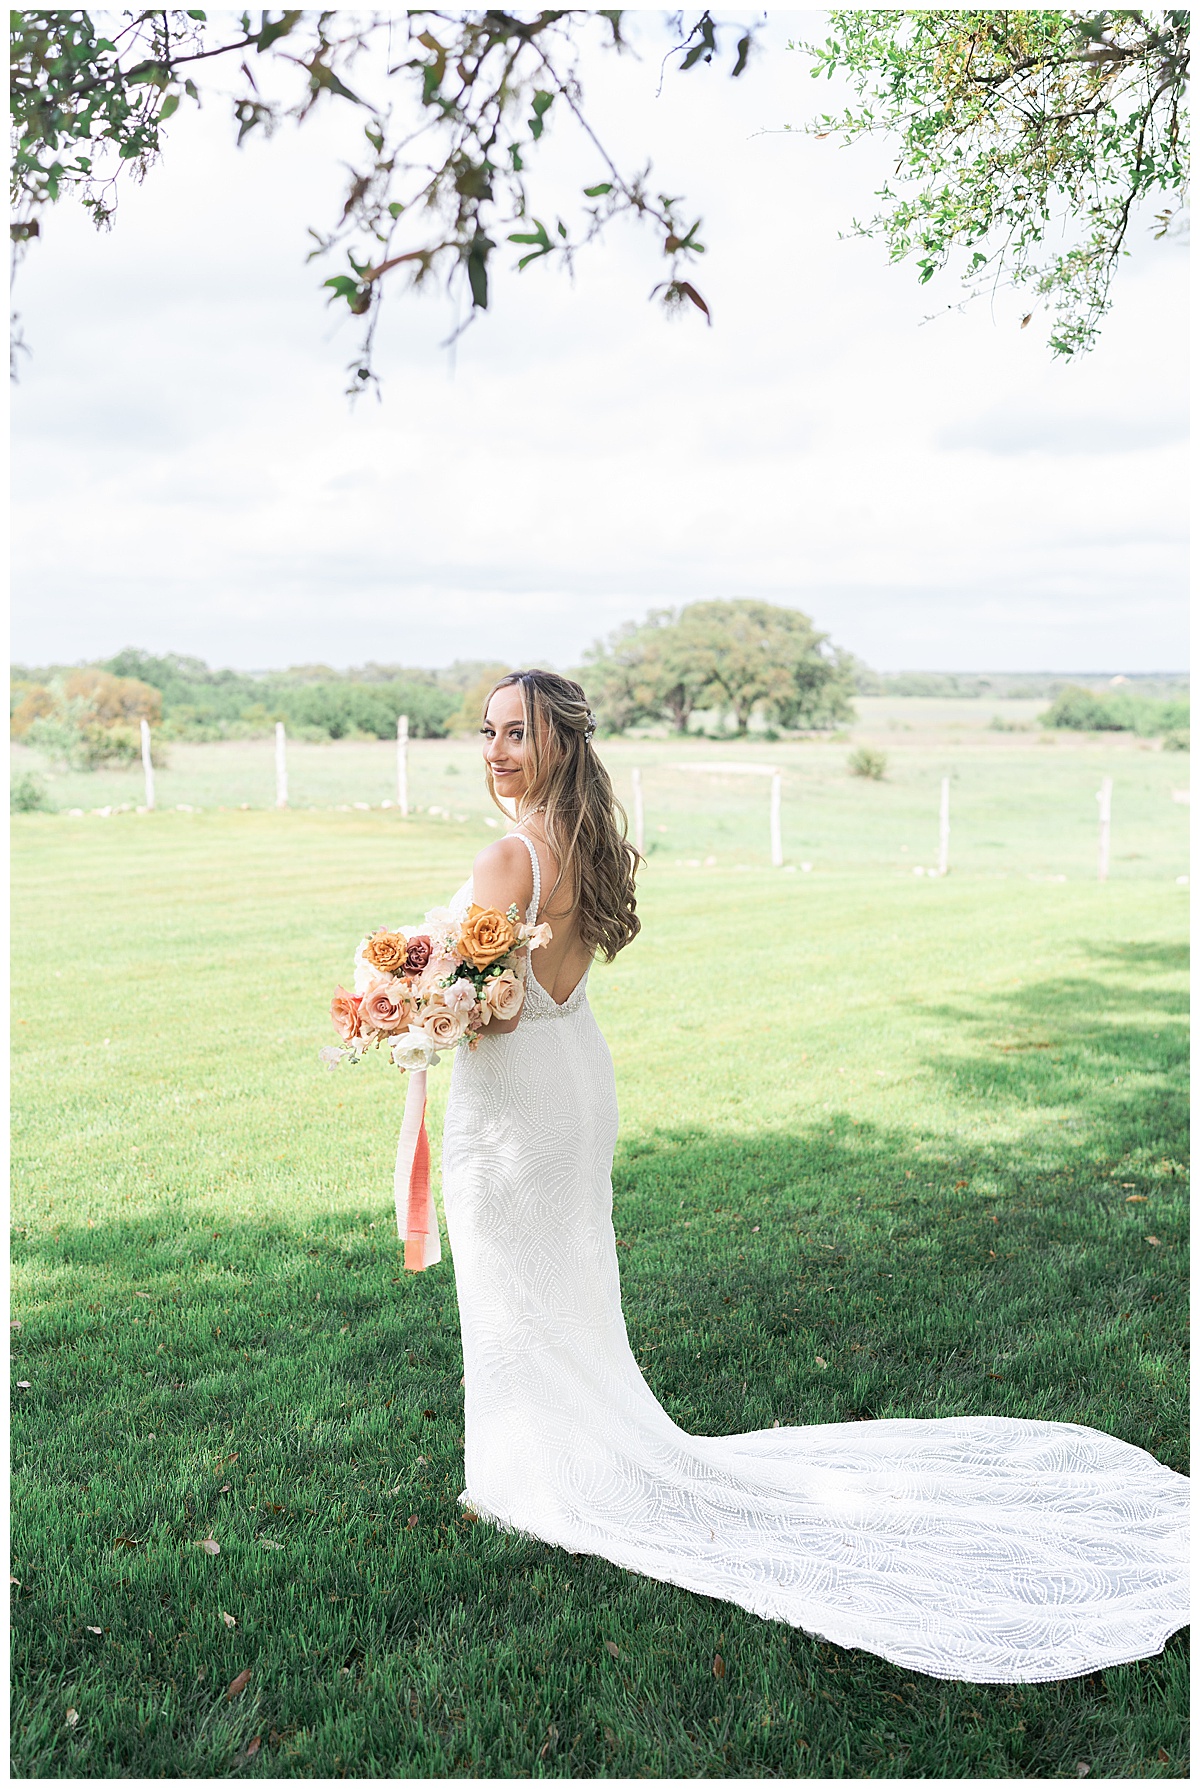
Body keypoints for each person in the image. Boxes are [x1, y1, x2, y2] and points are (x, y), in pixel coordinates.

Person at [438, 667, 1188, 1685]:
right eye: (488, 732)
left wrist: (412, 1001)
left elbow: (495, 1008)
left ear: (559, 744)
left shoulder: (509, 854)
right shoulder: (582, 843)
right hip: (576, 1082)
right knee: (562, 1284)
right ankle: (562, 1455)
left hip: (519, 1100)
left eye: (516, 734)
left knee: (512, 1284)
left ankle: (530, 1479)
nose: (496, 751)